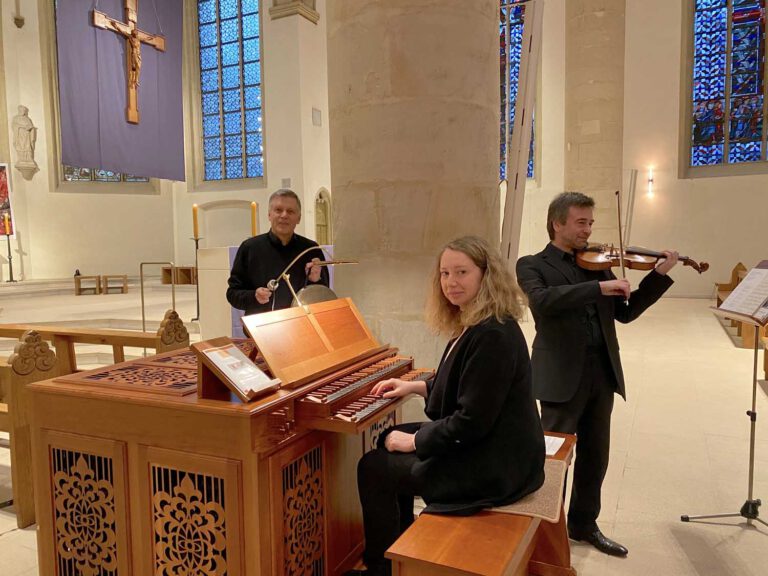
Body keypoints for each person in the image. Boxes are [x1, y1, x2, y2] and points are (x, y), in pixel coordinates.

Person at [347, 236, 545, 576]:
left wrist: (415, 442)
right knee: (387, 439)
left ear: (486, 275)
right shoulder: (477, 321)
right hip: (494, 443)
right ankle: (402, 542)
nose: (451, 283)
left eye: (462, 272)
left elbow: (472, 420)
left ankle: (381, 568)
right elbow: (464, 383)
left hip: (496, 465)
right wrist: (414, 386)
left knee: (373, 467)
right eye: (444, 273)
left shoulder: (492, 334)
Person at [515, 192, 679, 557]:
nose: (588, 230)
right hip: (560, 373)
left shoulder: (599, 263)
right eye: (580, 222)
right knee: (554, 457)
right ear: (557, 223)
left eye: (590, 222)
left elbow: (625, 313)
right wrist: (598, 287)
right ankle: (544, 531)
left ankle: (584, 524)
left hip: (601, 370)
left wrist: (657, 276)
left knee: (595, 455)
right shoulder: (532, 264)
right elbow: (543, 301)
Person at [226, 189, 329, 315]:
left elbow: (324, 295)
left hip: (300, 326)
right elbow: (232, 294)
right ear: (269, 215)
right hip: (261, 327)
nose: (284, 215)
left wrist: (315, 279)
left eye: (290, 211)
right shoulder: (250, 248)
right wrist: (254, 296)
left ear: (299, 218)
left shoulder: (311, 249)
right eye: (278, 210)